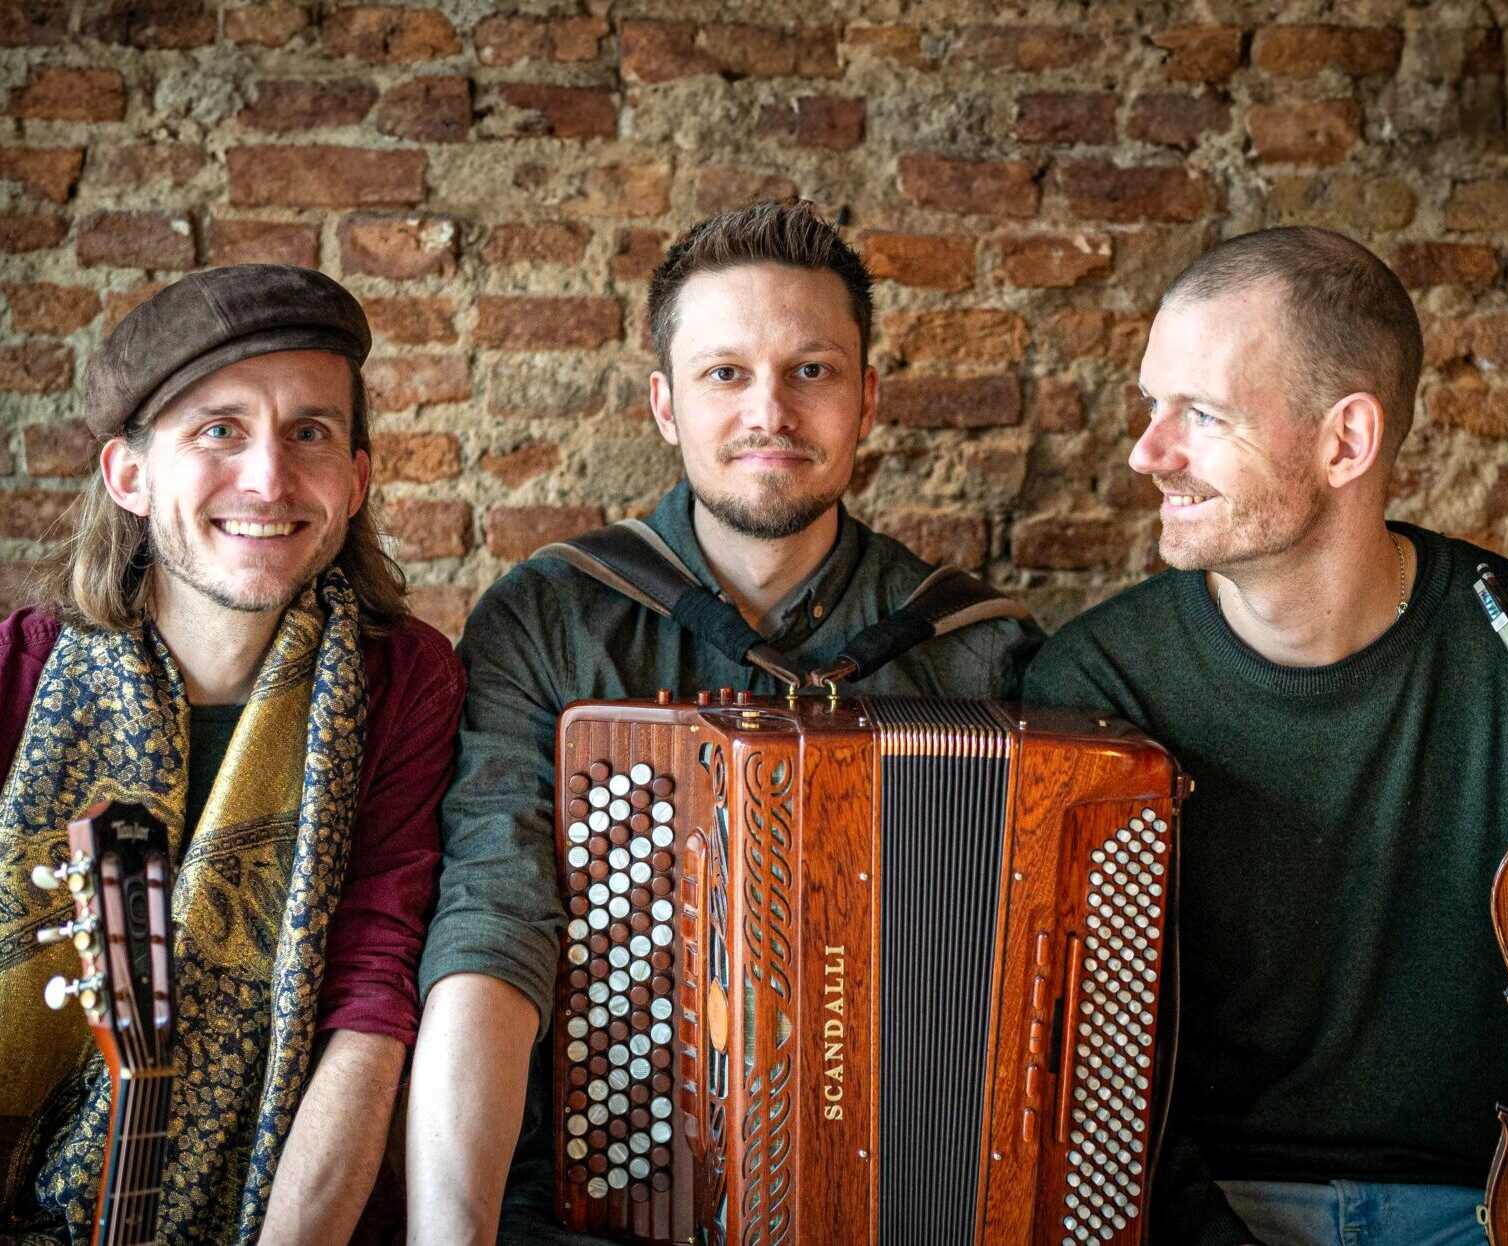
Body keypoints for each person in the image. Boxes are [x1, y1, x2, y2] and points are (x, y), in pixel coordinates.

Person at [1023, 226, 1508, 1246]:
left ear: (1346, 441)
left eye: (1202, 414)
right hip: (1204, 1211)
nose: (1148, 452)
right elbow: (1076, 1058)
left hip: (1502, 1200)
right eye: (1152, 404)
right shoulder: (1095, 684)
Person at [406, 199, 1042, 1244]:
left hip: (909, 1198)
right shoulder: (553, 620)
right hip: (601, 1203)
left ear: (868, 398)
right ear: (665, 404)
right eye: (725, 373)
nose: (771, 413)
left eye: (812, 370)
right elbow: (493, 926)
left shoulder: (978, 646)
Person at [0, 265, 463, 1245]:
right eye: (218, 430)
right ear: (128, 475)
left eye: (309, 431)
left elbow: (372, 990)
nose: (268, 478)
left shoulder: (405, 686)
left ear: (355, 478)